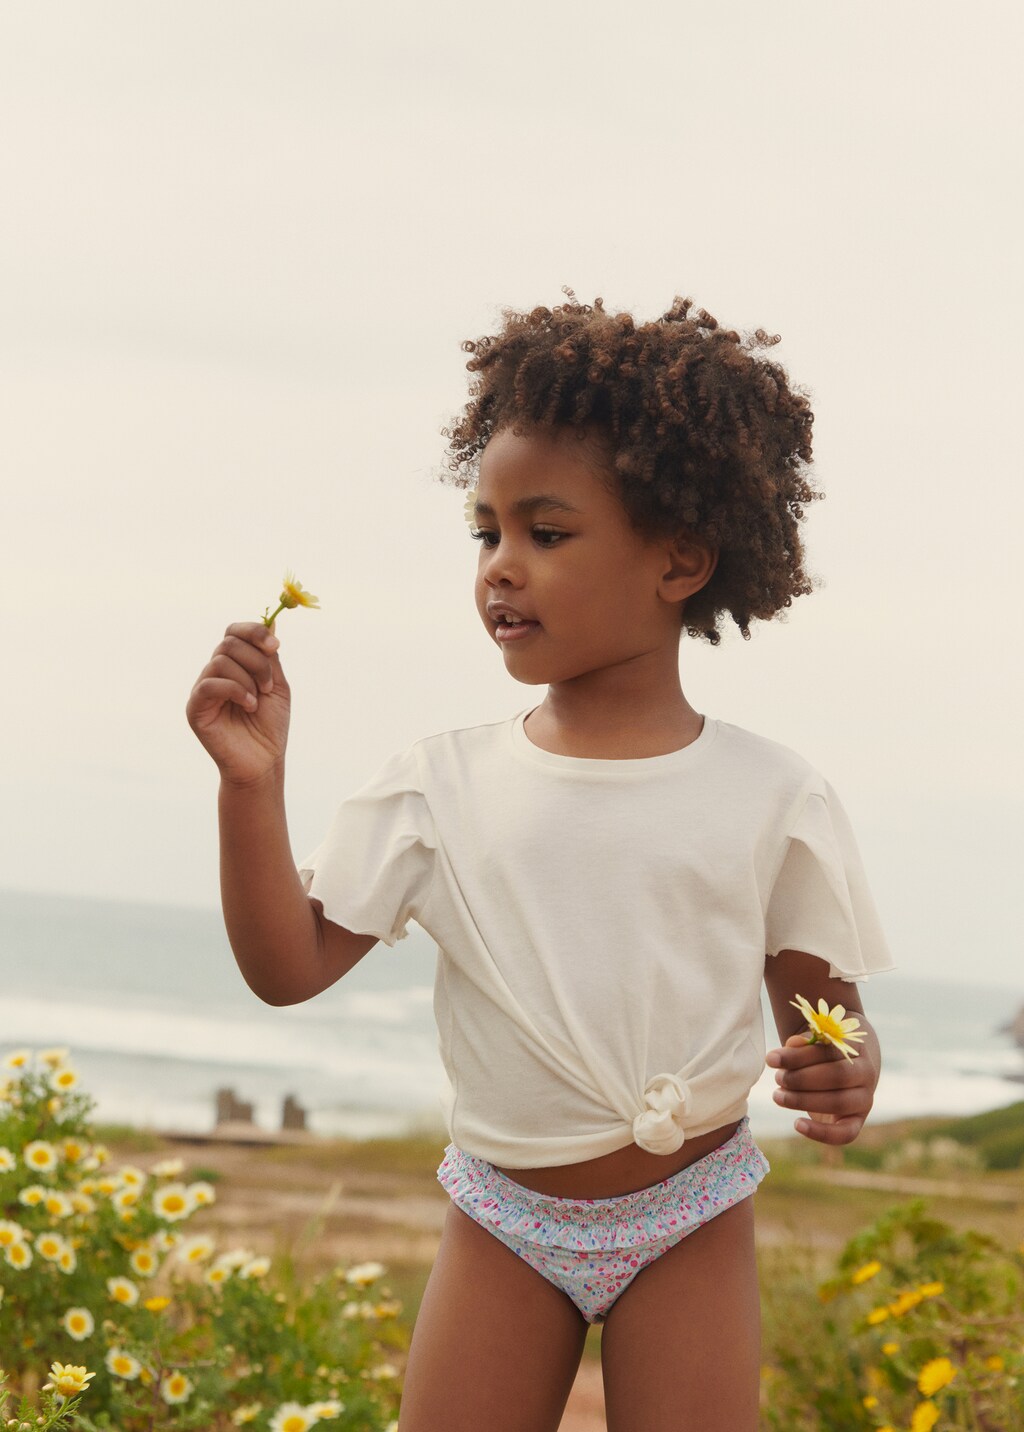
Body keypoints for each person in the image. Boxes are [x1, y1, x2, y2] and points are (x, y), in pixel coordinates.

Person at [186, 291, 895, 1432]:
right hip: (504, 1218)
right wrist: (249, 786)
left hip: (692, 1213)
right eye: (488, 532)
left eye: (545, 533)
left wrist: (844, 1072)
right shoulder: (439, 783)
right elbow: (288, 964)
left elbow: (830, 1020)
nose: (500, 567)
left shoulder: (773, 795)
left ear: (680, 560)